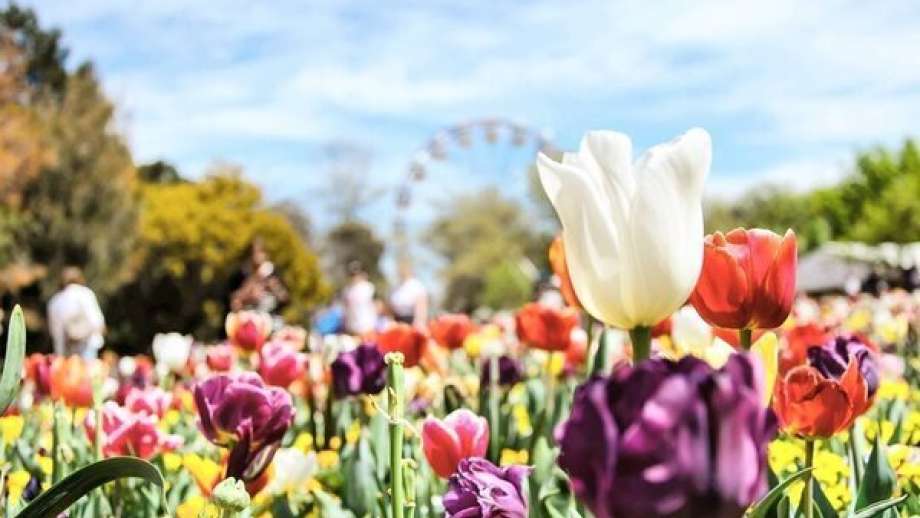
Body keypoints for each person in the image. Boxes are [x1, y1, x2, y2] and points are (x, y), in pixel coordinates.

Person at [47, 267, 106, 358]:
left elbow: (54, 331)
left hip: (65, 348)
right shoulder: (85, 294)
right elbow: (97, 321)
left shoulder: (54, 301)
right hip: (87, 345)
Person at [230, 239, 289, 314]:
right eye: (253, 252)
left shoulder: (273, 272)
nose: (256, 256)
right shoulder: (242, 273)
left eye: (259, 252)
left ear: (265, 254)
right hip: (247, 314)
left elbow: (285, 299)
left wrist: (274, 289)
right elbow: (234, 298)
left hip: (269, 316)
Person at [343, 261, 377, 336]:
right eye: (352, 274)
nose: (355, 277)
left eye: (356, 274)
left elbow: (377, 305)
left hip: (367, 328)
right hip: (352, 329)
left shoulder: (369, 287)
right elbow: (346, 309)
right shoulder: (347, 290)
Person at [389, 261, 428, 327]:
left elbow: (421, 309)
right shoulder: (395, 287)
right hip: (397, 321)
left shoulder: (417, 286)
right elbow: (391, 308)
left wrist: (418, 324)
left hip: (411, 322)